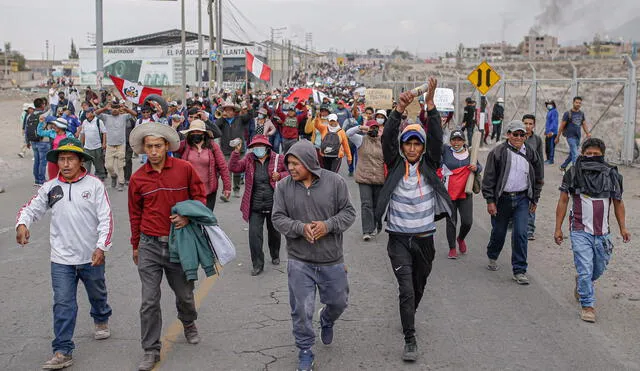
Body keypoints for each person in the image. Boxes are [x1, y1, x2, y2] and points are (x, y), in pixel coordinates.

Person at [16, 138, 113, 370]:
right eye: (62, 159)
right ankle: (62, 350)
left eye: (71, 159)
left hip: (91, 256)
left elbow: (106, 219)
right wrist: (22, 224)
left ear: (81, 161)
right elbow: (31, 208)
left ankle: (101, 317)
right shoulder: (50, 188)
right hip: (61, 259)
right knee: (63, 304)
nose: (66, 164)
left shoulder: (94, 185)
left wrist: (101, 247)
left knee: (97, 293)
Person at [374, 78, 453, 362]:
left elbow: (435, 140)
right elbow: (386, 140)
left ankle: (410, 311)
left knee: (418, 287)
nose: (412, 149)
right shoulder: (395, 164)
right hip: (398, 240)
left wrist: (430, 107)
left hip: (425, 239)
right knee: (405, 288)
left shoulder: (429, 164)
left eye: (416, 144)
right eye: (407, 143)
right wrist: (398, 110)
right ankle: (410, 338)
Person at [127, 122, 207, 371]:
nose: (153, 151)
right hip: (150, 245)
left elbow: (200, 197)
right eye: (149, 146)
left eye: (157, 146)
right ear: (143, 148)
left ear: (167, 147)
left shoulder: (184, 169)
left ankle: (188, 321)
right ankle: (151, 350)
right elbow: (134, 214)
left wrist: (188, 217)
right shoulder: (138, 178)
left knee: (185, 294)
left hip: (178, 244)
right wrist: (136, 245)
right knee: (149, 301)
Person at [271, 139, 356, 371]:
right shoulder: (284, 187)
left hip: (331, 259)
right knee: (301, 309)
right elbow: (277, 218)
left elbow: (349, 213)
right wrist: (300, 228)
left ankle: (327, 319)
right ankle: (305, 349)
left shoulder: (335, 182)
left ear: (309, 162)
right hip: (299, 260)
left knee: (339, 302)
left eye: (295, 163)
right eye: (288, 163)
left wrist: (327, 226)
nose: (290, 168)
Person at [554, 138, 630, 323]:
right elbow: (563, 201)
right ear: (582, 153)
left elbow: (618, 203)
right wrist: (558, 228)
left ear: (602, 155)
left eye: (597, 154)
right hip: (579, 230)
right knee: (586, 269)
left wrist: (623, 228)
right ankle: (588, 305)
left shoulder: (611, 174)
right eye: (589, 153)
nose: (592, 157)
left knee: (598, 267)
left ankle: (581, 282)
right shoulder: (573, 173)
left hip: (603, 233)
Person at [482, 120, 543, 284]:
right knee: (499, 232)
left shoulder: (530, 152)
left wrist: (535, 198)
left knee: (521, 233)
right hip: (502, 200)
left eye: (521, 134)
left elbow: (538, 176)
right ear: (508, 134)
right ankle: (492, 255)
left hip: (523, 199)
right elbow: (488, 179)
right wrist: (490, 201)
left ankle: (519, 270)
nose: (518, 137)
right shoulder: (498, 152)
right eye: (514, 134)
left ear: (526, 135)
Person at [229, 135, 288, 276]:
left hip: (273, 203)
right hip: (254, 205)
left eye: (260, 146)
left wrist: (280, 176)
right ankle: (257, 264)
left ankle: (275, 254)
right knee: (254, 236)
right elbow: (234, 167)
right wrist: (236, 153)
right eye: (255, 147)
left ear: (267, 147)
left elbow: (291, 172)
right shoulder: (249, 159)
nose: (258, 149)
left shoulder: (278, 159)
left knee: (274, 232)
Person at [439, 130, 482, 259]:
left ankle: (461, 238)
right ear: (450, 141)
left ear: (464, 141)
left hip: (465, 192)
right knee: (451, 222)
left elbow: (479, 167)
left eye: (459, 140)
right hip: (449, 193)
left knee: (467, 222)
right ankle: (452, 248)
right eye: (454, 140)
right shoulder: (445, 150)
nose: (456, 142)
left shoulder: (470, 153)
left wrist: (476, 168)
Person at [176, 119, 231, 211]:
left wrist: (227, 187)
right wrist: (174, 126)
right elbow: (170, 146)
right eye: (193, 132)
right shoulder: (185, 145)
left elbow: (223, 167)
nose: (195, 133)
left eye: (198, 131)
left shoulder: (212, 146)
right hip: (190, 190)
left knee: (206, 218)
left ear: (204, 133)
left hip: (209, 190)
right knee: (192, 218)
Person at [346, 119, 384, 241]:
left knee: (377, 205)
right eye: (371, 127)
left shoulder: (383, 141)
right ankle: (367, 230)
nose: (373, 130)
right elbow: (348, 134)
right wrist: (361, 127)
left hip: (379, 177)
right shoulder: (360, 140)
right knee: (366, 204)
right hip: (364, 177)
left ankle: (375, 225)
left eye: (375, 127)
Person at [95, 102, 137, 191]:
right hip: (110, 145)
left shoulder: (124, 117)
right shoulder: (106, 117)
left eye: (116, 108)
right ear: (111, 109)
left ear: (119, 109)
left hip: (121, 145)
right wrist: (105, 108)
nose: (115, 109)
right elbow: (96, 113)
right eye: (113, 108)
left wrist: (125, 108)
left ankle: (121, 183)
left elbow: (135, 114)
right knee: (108, 166)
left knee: (120, 165)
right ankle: (114, 176)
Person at [214, 102, 252, 199]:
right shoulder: (222, 121)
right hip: (226, 149)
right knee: (227, 171)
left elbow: (250, 115)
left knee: (237, 171)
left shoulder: (240, 119)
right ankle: (226, 192)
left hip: (239, 149)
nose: (227, 112)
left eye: (229, 110)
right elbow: (215, 127)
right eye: (226, 110)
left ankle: (236, 188)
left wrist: (248, 105)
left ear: (234, 112)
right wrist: (222, 117)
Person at [523, 114, 544, 241]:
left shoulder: (537, 140)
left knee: (532, 201)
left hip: (532, 176)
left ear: (534, 125)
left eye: (530, 124)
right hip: (519, 174)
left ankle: (530, 229)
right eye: (526, 123)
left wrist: (540, 177)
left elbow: (540, 159)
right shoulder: (517, 137)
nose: (528, 126)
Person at [556, 96, 591, 172]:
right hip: (570, 137)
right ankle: (576, 171)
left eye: (579, 103)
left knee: (572, 154)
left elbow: (584, 124)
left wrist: (588, 133)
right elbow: (562, 126)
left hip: (578, 137)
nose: (578, 104)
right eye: (576, 102)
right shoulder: (568, 113)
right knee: (575, 154)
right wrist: (557, 137)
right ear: (573, 103)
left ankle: (563, 166)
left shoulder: (581, 113)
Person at [25, 98, 50, 186]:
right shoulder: (44, 115)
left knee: (36, 161)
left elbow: (26, 129)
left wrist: (27, 142)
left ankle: (36, 180)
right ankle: (41, 181)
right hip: (43, 141)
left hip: (33, 141)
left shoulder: (29, 115)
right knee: (43, 162)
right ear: (42, 105)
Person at [79, 108, 107, 180]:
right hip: (87, 147)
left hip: (97, 147)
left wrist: (104, 144)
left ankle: (101, 176)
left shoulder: (98, 121)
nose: (86, 114)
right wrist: (81, 146)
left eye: (88, 112)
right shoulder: (84, 122)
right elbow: (82, 134)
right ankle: (86, 178)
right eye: (86, 113)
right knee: (86, 164)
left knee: (98, 163)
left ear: (92, 113)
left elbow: (104, 132)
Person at [342, 105, 363, 176]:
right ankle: (350, 170)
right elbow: (343, 130)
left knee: (358, 158)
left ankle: (357, 171)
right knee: (350, 157)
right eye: (354, 111)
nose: (355, 112)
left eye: (357, 111)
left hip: (358, 142)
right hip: (349, 142)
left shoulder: (360, 119)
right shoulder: (347, 121)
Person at [544, 100, 559, 164]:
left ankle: (551, 160)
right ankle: (548, 159)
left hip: (552, 133)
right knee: (547, 146)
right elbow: (548, 123)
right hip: (548, 132)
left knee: (551, 147)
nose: (548, 105)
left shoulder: (554, 112)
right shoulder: (549, 112)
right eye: (547, 104)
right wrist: (546, 131)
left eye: (550, 104)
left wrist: (552, 132)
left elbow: (554, 122)